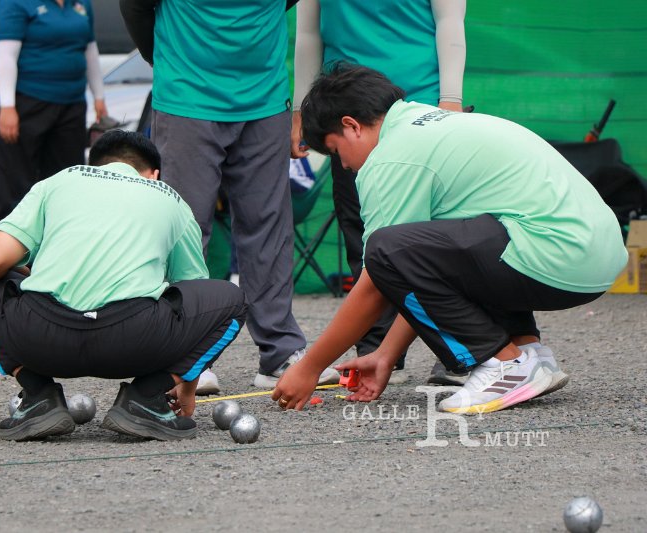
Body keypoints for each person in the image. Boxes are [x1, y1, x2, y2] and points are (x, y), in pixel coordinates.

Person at [272, 65, 628, 415]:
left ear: (351, 126)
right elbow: (426, 272)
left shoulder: (390, 158)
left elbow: (377, 280)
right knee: (445, 242)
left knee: (384, 249)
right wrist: (385, 355)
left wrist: (309, 367)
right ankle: (526, 353)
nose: (345, 167)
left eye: (336, 152)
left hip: (558, 256)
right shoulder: (430, 122)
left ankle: (504, 365)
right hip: (595, 255)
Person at [119, 0, 339, 394]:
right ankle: (185, 355)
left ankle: (280, 351)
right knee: (185, 228)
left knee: (269, 224)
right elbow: (134, 7)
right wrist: (167, 59)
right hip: (188, 96)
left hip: (265, 98)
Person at [0, 130, 247, 441]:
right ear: (154, 175)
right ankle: (146, 399)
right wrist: (187, 384)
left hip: (41, 339)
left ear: (95, 166)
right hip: (133, 343)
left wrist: (32, 270)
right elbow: (193, 296)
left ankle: (39, 397)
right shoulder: (170, 199)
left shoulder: (60, 181)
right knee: (230, 301)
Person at [291, 0, 467, 386]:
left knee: (449, 231)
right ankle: (375, 351)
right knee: (364, 236)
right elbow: (307, 33)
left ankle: (463, 353)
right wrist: (302, 111)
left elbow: (450, 20)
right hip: (346, 115)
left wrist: (450, 100)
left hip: (420, 104)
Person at [0, 0, 109, 251]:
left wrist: (99, 97)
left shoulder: (81, 4)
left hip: (70, 103)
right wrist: (7, 107)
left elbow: (90, 50)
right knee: (14, 179)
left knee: (65, 181)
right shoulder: (15, 3)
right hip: (26, 102)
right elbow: (5, 56)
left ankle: (57, 255)